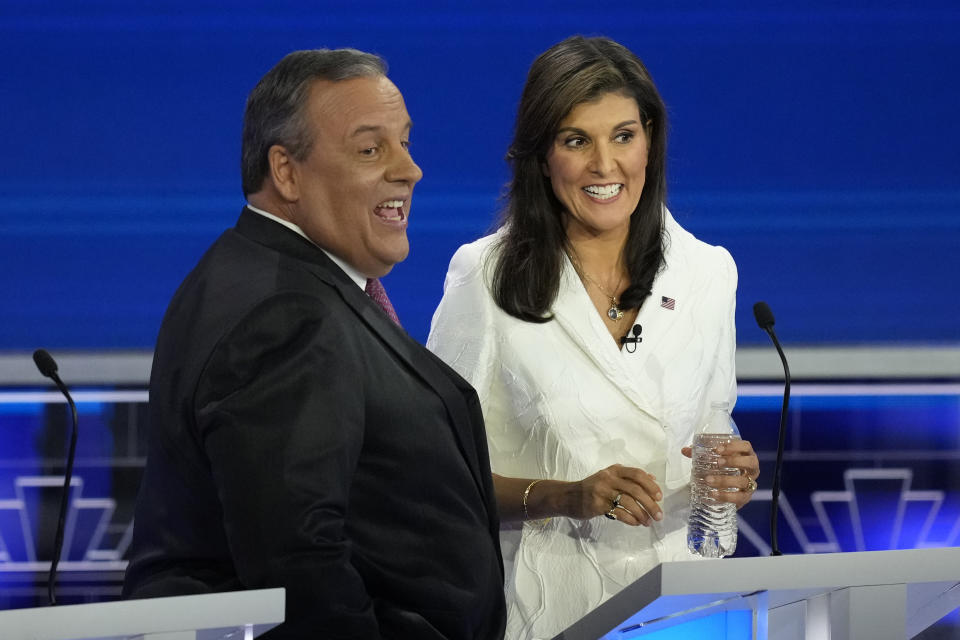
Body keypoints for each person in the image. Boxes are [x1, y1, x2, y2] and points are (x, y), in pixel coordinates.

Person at [122, 48, 506, 639]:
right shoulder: (283, 313)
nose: (409, 170)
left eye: (405, 143)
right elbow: (299, 565)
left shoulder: (265, 274)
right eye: (370, 149)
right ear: (286, 172)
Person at [427, 36, 760, 639]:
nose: (605, 166)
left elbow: (713, 425)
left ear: (651, 140)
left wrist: (732, 473)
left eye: (624, 136)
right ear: (541, 156)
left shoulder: (709, 272)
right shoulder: (485, 276)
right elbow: (431, 475)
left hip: (681, 611)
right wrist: (566, 497)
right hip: (547, 609)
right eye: (576, 140)